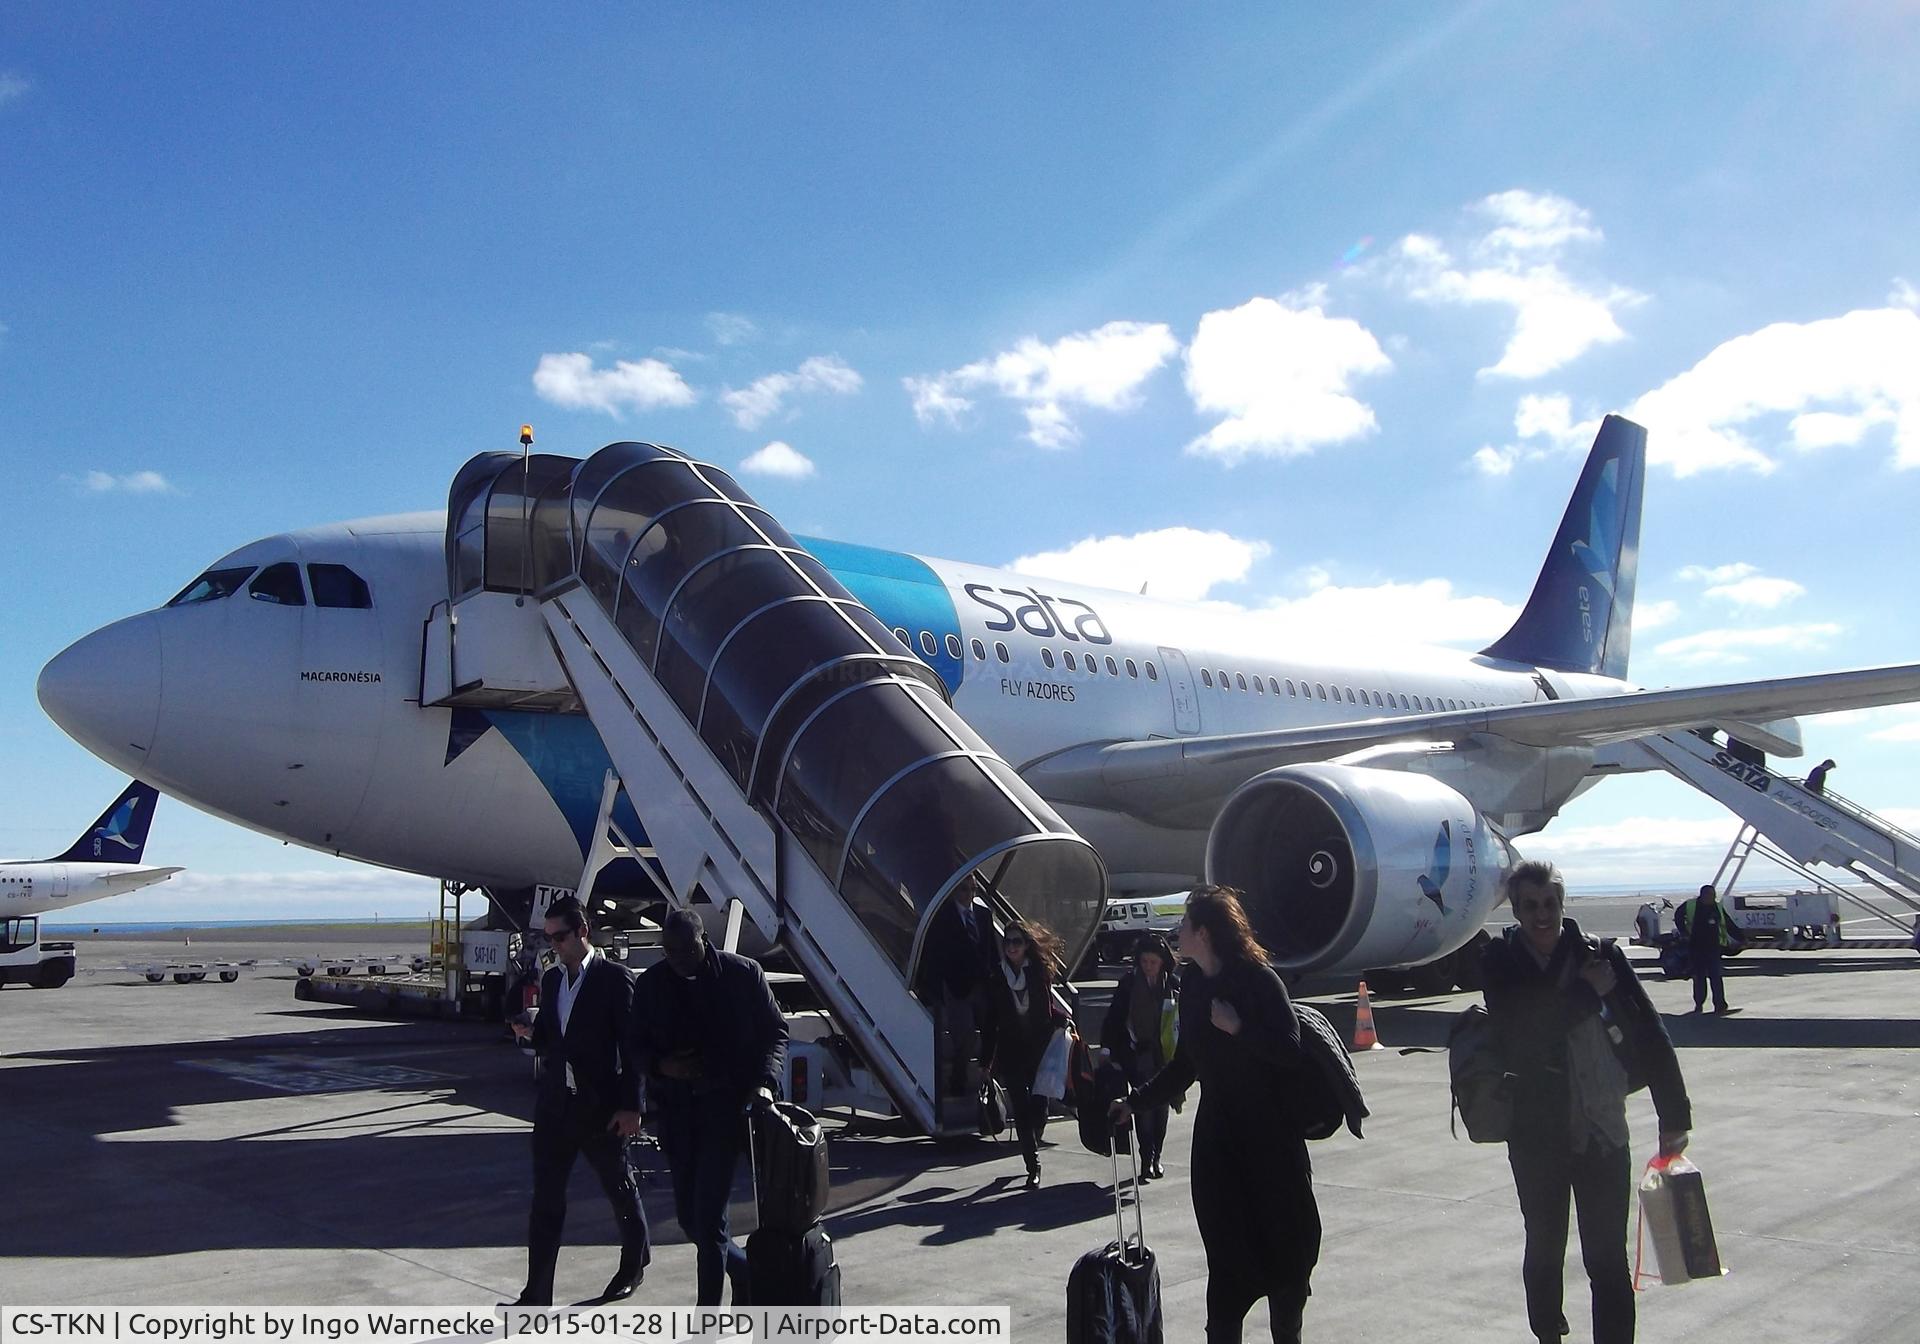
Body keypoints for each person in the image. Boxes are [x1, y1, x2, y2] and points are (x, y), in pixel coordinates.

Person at [1483, 861, 1692, 1344]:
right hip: (1537, 1133)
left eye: (1550, 903)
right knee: (1545, 1246)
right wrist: (1583, 993)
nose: (1542, 915)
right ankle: (1548, 1333)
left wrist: (1673, 1113)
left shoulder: (1601, 955)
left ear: (1562, 903)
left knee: (1605, 1256)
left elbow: (1649, 1032)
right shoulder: (1501, 962)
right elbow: (1520, 1037)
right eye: (1531, 906)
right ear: (1516, 910)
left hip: (1602, 1129)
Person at [1112, 886, 1317, 1344]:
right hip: (1220, 1150)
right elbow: (1187, 1063)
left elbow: (1290, 1051)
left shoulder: (1259, 981)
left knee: (1286, 1270)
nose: (1177, 934)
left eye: (1184, 926)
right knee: (1226, 1271)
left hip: (1271, 1148)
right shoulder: (1194, 986)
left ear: (1203, 932)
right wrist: (1136, 1102)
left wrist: (1239, 1028)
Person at [631, 908, 788, 1306]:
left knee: (708, 1217)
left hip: (725, 1112)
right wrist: (661, 1066)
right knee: (691, 1220)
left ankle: (707, 1320)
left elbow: (775, 1032)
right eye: (669, 952)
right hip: (678, 1116)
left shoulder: (743, 975)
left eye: (686, 950)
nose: (678, 959)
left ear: (704, 941)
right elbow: (633, 1045)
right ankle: (745, 1272)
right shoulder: (651, 985)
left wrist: (765, 1084)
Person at [507, 896, 650, 1308]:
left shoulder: (614, 979)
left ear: (583, 931)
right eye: (548, 937)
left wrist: (633, 1106)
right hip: (556, 1106)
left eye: (560, 937)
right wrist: (530, 1033)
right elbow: (555, 1039)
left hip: (601, 1107)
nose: (553, 945)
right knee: (546, 1200)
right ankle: (536, 1295)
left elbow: (633, 1048)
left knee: (619, 1189)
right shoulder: (553, 981)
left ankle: (633, 1265)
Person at [978, 920, 1069, 1189]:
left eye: (1017, 942)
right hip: (1011, 1051)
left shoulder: (1038, 972)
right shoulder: (997, 976)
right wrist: (986, 1062)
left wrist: (1063, 1020)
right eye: (1007, 942)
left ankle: (1035, 1137)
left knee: (1038, 1108)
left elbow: (1048, 1009)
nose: (1012, 947)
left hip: (1038, 1050)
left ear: (1027, 945)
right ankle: (1033, 1165)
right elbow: (990, 1021)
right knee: (1021, 1110)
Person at [1099, 933, 1180, 1181]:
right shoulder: (1129, 983)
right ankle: (1147, 1159)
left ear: (1163, 961)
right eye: (1144, 961)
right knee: (1143, 1108)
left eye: (1153, 962)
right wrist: (1107, 1049)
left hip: (1165, 1055)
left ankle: (1157, 1156)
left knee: (1162, 1109)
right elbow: (1113, 1019)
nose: (1148, 966)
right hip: (1138, 1054)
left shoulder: (1173, 985)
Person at [1676, 884, 1737, 1014]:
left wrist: (1742, 938)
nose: (1712, 898)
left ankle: (1719, 1005)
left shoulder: (1717, 907)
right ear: (1703, 895)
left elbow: (1728, 923)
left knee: (1716, 977)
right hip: (1696, 947)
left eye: (1714, 895)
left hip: (1713, 947)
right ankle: (1699, 1004)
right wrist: (1683, 932)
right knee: (1699, 978)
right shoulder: (1691, 905)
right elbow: (1678, 916)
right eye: (1710, 895)